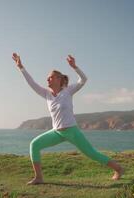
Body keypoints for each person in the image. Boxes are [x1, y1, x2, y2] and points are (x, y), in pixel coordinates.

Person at [12, 53, 123, 185]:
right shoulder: (46, 94)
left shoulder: (68, 91)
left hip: (72, 131)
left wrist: (74, 67)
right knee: (34, 145)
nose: (47, 80)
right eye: (47, 78)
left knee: (92, 154)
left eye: (50, 77)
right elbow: (31, 83)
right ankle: (39, 177)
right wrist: (21, 67)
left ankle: (118, 169)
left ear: (59, 79)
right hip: (57, 132)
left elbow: (83, 80)